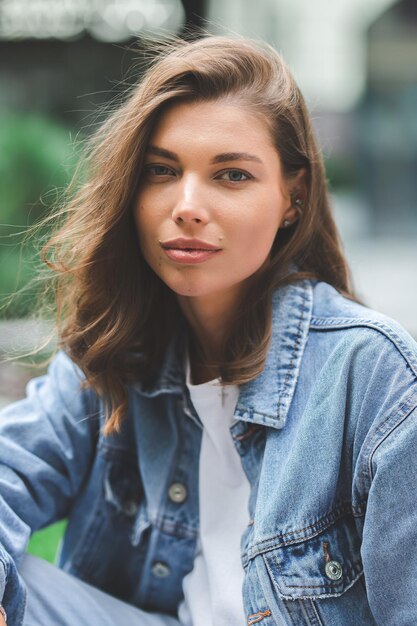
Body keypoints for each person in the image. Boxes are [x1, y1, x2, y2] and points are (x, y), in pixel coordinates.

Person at [0, 34, 416, 626]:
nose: (187, 205)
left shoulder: (370, 374)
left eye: (232, 176)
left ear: (292, 198)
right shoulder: (120, 351)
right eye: (162, 170)